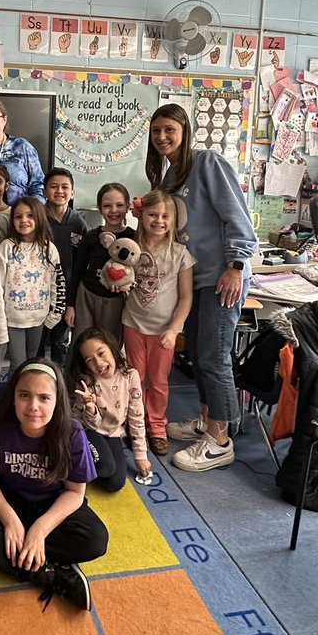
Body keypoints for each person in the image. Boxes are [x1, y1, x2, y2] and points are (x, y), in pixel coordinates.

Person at [146, 104, 256, 472]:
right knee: (197, 354)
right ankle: (207, 420)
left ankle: (219, 440)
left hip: (222, 276)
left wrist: (236, 265)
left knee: (213, 356)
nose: (162, 137)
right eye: (156, 130)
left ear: (184, 131)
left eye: (169, 130)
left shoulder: (206, 163)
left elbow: (236, 217)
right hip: (192, 280)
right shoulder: (168, 179)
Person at [0, 359, 107, 611]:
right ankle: (50, 574)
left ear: (57, 402)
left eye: (44, 398)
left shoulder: (72, 433)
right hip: (7, 500)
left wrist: (40, 530)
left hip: (51, 504)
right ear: (13, 397)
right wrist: (11, 521)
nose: (33, 406)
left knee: (95, 540)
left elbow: (75, 492)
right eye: (24, 395)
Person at [122, 190, 194, 456]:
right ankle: (136, 424)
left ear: (173, 220)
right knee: (135, 379)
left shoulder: (180, 254)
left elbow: (186, 298)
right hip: (133, 324)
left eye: (165, 216)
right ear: (141, 216)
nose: (159, 220)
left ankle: (156, 427)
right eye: (153, 215)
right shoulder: (131, 247)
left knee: (160, 382)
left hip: (164, 331)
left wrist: (174, 330)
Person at [68, 327, 150, 491]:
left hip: (112, 432)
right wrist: (90, 408)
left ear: (112, 349)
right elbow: (88, 424)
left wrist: (141, 455)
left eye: (101, 353)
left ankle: (89, 459)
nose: (98, 363)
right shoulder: (86, 382)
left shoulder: (130, 375)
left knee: (115, 483)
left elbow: (136, 416)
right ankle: (71, 457)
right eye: (89, 360)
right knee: (104, 467)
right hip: (86, 429)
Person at [0, 197, 65, 372]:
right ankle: (13, 398)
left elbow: (57, 283)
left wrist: (54, 315)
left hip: (39, 319)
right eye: (18, 216)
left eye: (30, 215)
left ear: (39, 217)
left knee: (33, 364)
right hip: (13, 320)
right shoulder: (7, 248)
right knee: (18, 366)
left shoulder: (49, 249)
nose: (24, 220)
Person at [67, 183, 133, 344]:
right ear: (99, 208)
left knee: (110, 344)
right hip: (86, 296)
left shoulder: (133, 237)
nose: (114, 210)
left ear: (128, 207)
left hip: (116, 301)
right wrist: (70, 305)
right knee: (82, 343)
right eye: (107, 206)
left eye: (119, 205)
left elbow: (137, 271)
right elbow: (77, 271)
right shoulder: (91, 236)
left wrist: (126, 287)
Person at [41, 168, 88, 363]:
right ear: (44, 192)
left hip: (66, 295)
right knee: (37, 344)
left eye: (65, 187)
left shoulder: (79, 224)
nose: (59, 191)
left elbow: (82, 265)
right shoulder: (37, 219)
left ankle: (59, 387)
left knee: (60, 344)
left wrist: (72, 303)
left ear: (73, 192)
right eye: (53, 187)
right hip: (38, 292)